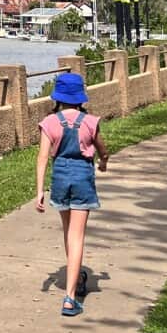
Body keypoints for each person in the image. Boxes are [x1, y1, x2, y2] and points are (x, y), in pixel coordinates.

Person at [35, 72, 109, 317]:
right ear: (80, 97)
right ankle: (69, 298)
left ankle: (75, 280)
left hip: (60, 178)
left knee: (68, 233)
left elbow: (43, 158)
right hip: (81, 178)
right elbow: (102, 149)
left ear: (58, 97)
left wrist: (39, 192)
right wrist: (104, 162)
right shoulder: (90, 121)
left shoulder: (49, 123)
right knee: (77, 237)